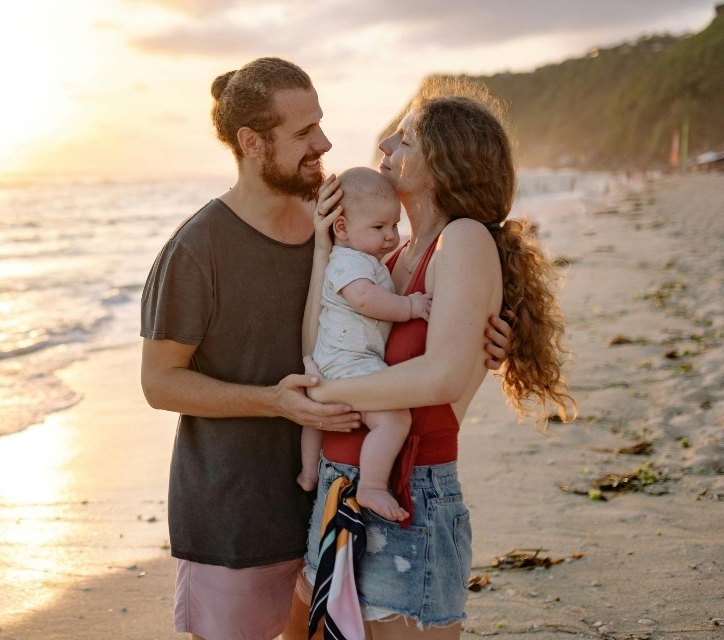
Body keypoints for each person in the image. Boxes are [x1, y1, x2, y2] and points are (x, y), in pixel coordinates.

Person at [140, 59, 514, 640]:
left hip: (334, 495)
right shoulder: (197, 249)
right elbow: (159, 383)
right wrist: (280, 401)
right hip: (240, 510)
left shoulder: (351, 227)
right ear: (252, 143)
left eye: (321, 124)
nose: (327, 143)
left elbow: (418, 344)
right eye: (303, 132)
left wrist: (480, 346)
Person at [287, 82, 577, 639]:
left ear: (443, 161)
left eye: (409, 134)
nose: (390, 139)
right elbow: (320, 345)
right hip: (341, 482)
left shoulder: (463, 240)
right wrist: (325, 252)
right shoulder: (388, 256)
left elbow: (441, 376)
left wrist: (318, 396)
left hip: (408, 492)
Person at [298, 167, 429, 525]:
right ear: (341, 228)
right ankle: (371, 485)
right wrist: (410, 306)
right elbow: (366, 300)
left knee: (314, 418)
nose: (391, 236)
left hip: (333, 361)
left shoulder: (362, 259)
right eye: (378, 227)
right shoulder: (348, 262)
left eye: (394, 225)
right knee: (394, 419)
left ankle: (309, 472)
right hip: (351, 362)